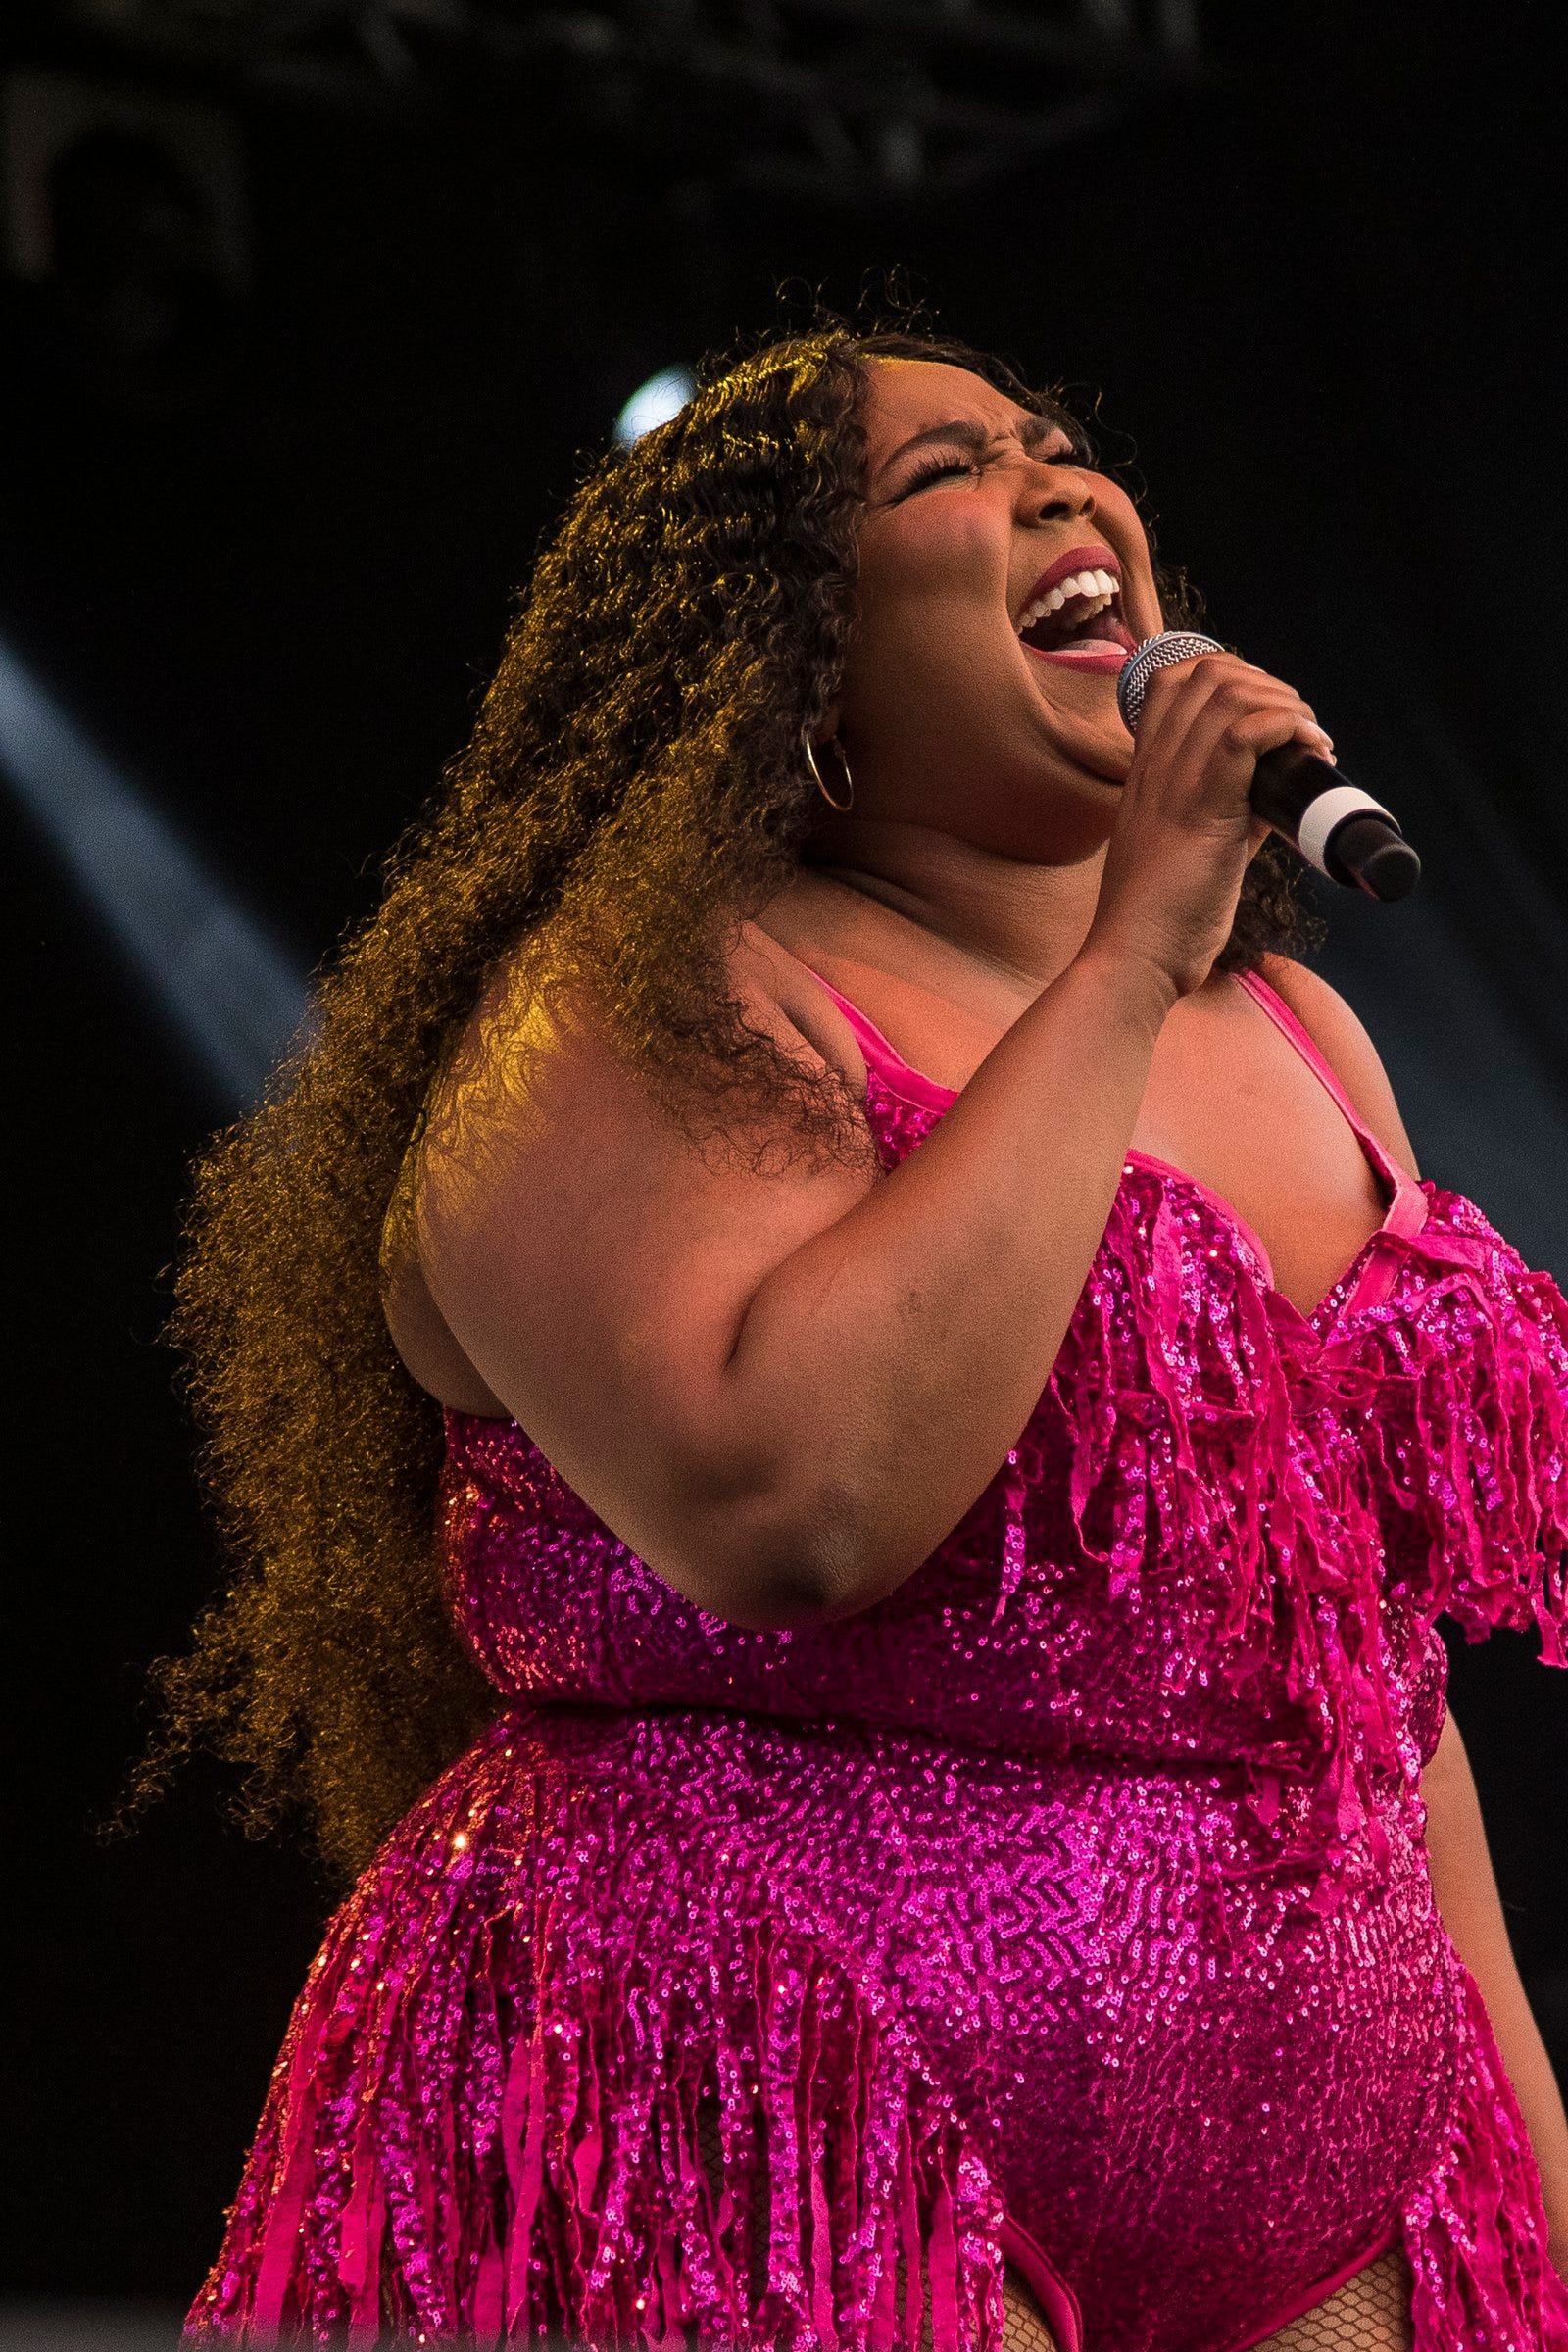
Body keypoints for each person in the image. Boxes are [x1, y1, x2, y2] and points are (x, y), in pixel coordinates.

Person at [165, 323, 1568, 2351]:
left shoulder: (1294, 1038)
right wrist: (1125, 954)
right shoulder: (627, 1013)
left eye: (1063, 447)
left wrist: (1524, 2168)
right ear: (784, 655)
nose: (1056, 486)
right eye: (946, 477)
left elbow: (1369, 1679)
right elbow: (792, 1506)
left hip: (1337, 2152)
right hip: (774, 2113)